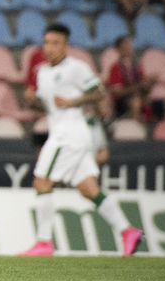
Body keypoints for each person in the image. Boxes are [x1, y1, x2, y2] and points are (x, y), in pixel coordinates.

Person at [18, 23, 142, 257]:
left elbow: (99, 92)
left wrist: (73, 102)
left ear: (66, 46)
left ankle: (44, 242)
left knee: (41, 182)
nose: (49, 47)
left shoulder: (76, 68)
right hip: (63, 132)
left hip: (69, 134)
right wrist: (32, 101)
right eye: (47, 42)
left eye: (55, 43)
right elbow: (49, 106)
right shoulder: (42, 72)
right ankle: (128, 231)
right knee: (88, 189)